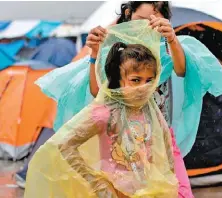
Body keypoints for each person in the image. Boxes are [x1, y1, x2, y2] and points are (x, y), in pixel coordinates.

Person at [17, 2, 222, 196]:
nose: (147, 27)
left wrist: (171, 39)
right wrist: (94, 54)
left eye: (154, 20)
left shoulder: (164, 48)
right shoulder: (114, 48)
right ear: (128, 13)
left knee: (178, 192)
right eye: (142, 20)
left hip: (158, 137)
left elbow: (183, 71)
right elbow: (95, 90)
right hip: (118, 140)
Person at [25, 23, 181, 197]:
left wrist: (169, 177)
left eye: (149, 80)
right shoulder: (106, 113)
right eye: (135, 80)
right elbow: (64, 145)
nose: (143, 87)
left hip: (146, 191)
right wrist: (95, 181)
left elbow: (166, 145)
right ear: (118, 80)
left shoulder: (149, 111)